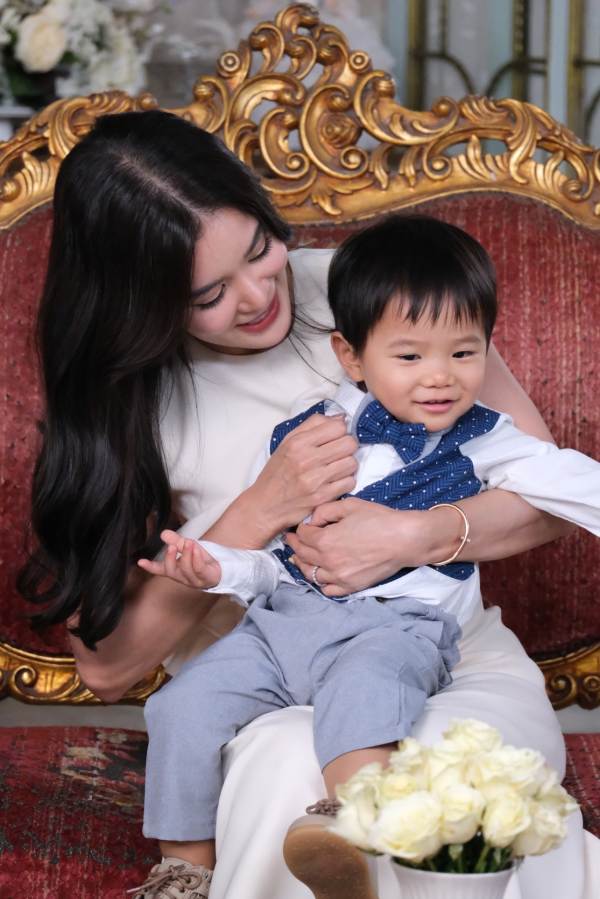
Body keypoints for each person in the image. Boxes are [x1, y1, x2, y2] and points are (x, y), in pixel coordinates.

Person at [17, 109, 598, 899]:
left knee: (451, 770)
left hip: (444, 653)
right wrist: (262, 507)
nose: (260, 294)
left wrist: (414, 534)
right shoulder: (121, 401)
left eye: (261, 248)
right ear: (141, 302)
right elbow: (108, 665)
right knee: (295, 767)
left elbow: (549, 494)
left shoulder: (379, 292)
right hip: (260, 674)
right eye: (210, 293)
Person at [132, 215, 600, 899]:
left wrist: (420, 533)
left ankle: (345, 829)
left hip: (396, 627)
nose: (440, 377)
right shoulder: (307, 434)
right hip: (282, 623)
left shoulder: (490, 440)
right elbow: (276, 562)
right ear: (351, 358)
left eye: (464, 354)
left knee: (366, 688)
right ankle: (184, 872)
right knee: (180, 706)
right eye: (410, 357)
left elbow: (580, 487)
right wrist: (216, 568)